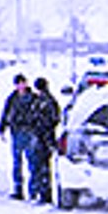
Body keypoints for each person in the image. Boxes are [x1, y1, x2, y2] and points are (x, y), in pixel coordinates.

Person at [0, 73, 36, 200]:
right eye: (18, 84)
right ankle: (18, 189)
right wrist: (2, 127)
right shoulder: (12, 99)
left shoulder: (33, 98)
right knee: (17, 163)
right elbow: (6, 113)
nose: (20, 86)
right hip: (16, 132)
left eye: (22, 83)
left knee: (32, 162)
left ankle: (33, 191)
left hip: (30, 132)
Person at [27, 76, 62, 204]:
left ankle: (43, 193)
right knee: (42, 166)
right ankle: (42, 192)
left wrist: (40, 128)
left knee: (40, 166)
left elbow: (51, 119)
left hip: (42, 137)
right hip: (45, 137)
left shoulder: (44, 102)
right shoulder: (49, 101)